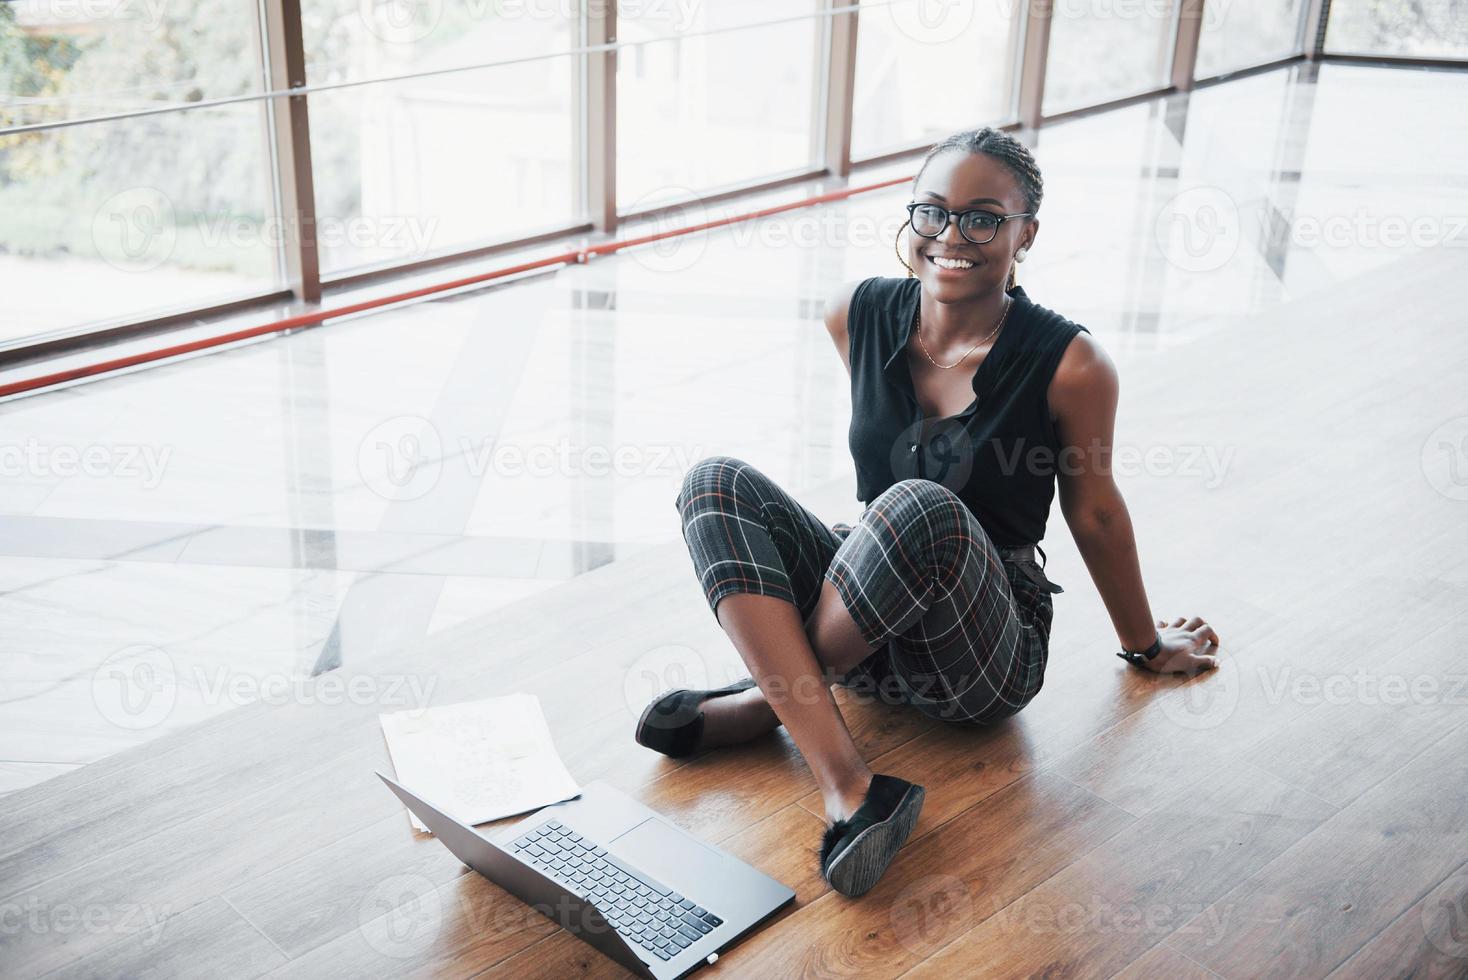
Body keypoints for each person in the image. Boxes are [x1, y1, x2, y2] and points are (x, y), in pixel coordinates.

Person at [634, 126, 1222, 898]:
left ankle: (761, 703)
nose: (952, 235)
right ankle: (853, 784)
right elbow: (888, 453)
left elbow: (1096, 514)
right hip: (866, 609)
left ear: (1026, 234)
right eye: (932, 212)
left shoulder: (1071, 364)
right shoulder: (857, 312)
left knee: (920, 506)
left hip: (979, 647)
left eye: (983, 217)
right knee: (713, 481)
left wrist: (1145, 646)